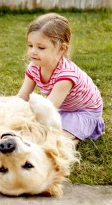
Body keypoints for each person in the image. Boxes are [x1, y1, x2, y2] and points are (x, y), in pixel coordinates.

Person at [17, 13, 105, 144]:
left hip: (85, 112)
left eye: (41, 47)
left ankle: (80, 133)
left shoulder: (66, 75)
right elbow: (23, 96)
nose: (33, 51)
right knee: (29, 128)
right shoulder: (34, 67)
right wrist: (12, 113)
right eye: (30, 45)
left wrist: (28, 122)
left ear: (61, 49)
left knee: (55, 140)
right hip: (64, 109)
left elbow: (48, 109)